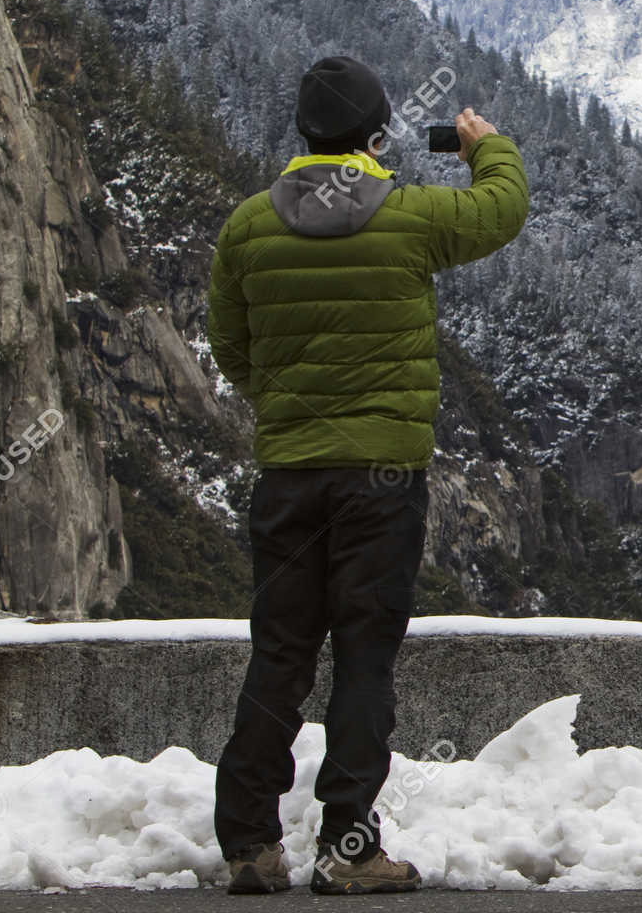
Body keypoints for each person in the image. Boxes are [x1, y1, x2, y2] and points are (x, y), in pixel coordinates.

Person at [206, 56, 527, 895]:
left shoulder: (247, 228)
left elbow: (231, 349)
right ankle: (349, 850)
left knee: (279, 652)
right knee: (363, 659)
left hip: (288, 476)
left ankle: (247, 842)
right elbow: (502, 211)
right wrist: (485, 148)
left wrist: (287, 404)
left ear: (304, 136)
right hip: (382, 481)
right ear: (378, 136)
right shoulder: (410, 217)